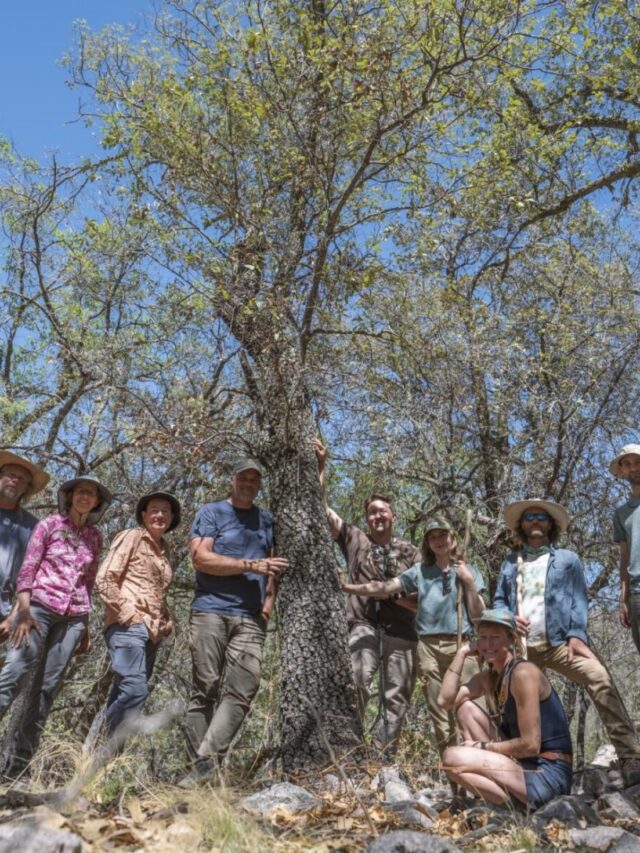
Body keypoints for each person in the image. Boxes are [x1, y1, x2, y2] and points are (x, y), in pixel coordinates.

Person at [494, 498, 640, 788]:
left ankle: (630, 756)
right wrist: (507, 618)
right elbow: (499, 601)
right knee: (512, 702)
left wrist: (577, 634)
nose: (535, 521)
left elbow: (578, 600)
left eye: (541, 517)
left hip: (560, 644)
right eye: (529, 518)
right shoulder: (511, 563)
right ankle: (514, 768)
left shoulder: (567, 560)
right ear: (522, 525)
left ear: (551, 524)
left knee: (598, 677)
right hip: (522, 649)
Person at [180, 459, 287, 785]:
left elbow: (274, 567)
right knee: (205, 689)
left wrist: (267, 608)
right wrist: (250, 565)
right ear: (233, 479)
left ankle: (203, 766)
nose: (249, 483)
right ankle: (196, 776)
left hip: (251, 617)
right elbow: (201, 559)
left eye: (255, 479)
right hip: (210, 611)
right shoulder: (212, 513)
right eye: (244, 477)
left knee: (244, 688)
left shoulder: (267, 520)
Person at [342, 518, 485, 757]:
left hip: (463, 645)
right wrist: (348, 588)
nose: (439, 541)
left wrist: (469, 583)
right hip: (428, 648)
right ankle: (452, 769)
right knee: (440, 713)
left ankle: (481, 764)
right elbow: (384, 588)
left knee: (471, 707)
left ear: (453, 538)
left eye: (443, 535)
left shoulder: (468, 571)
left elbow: (479, 615)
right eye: (432, 537)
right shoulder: (420, 571)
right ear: (427, 543)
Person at [0, 475, 111, 773]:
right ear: (70, 496)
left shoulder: (95, 537)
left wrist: (85, 627)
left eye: (91, 494)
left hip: (74, 618)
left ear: (97, 502)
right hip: (37, 609)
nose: (85, 497)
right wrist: (23, 611)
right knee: (14, 673)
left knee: (46, 688)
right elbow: (27, 570)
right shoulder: (49, 524)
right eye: (81, 491)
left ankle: (18, 766)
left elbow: (88, 582)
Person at [314, 438, 419, 754]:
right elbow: (323, 511)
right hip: (362, 625)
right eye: (372, 512)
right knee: (357, 681)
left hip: (402, 632)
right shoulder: (356, 540)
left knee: (397, 696)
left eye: (382, 511)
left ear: (393, 515)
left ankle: (383, 757)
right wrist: (321, 466)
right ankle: (350, 749)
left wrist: (388, 595)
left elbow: (420, 601)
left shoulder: (412, 553)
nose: (377, 516)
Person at [438, 609, 573, 811]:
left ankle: (511, 807)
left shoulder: (523, 673)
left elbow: (530, 745)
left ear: (511, 640)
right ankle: (510, 803)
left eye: (495, 637)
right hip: (520, 765)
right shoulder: (489, 678)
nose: (488, 644)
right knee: (464, 709)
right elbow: (445, 701)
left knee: (451, 758)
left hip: (547, 773)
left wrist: (482, 747)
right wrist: (461, 654)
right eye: (483, 637)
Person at [96, 491, 181, 739]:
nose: (159, 515)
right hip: (127, 626)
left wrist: (166, 620)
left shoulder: (165, 549)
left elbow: (155, 591)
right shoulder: (131, 537)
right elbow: (105, 579)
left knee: (124, 690)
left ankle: (104, 753)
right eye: (154, 510)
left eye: (165, 512)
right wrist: (129, 615)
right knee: (135, 689)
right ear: (144, 515)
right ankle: (108, 747)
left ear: (171, 518)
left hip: (152, 633)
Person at [0, 451, 50, 639]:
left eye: (21, 479)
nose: (15, 481)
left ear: (27, 488)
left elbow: (32, 575)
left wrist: (13, 617)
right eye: (11, 475)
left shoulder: (33, 527)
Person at [610, 444, 640, 657]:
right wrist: (624, 599)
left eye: (638, 462)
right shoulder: (621, 514)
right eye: (627, 464)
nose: (634, 468)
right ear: (621, 470)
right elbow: (625, 558)